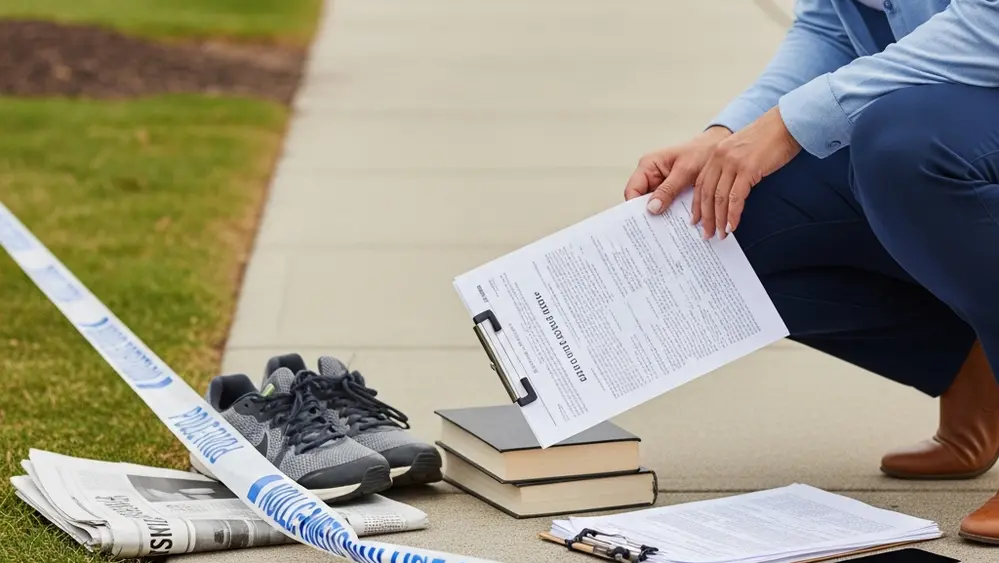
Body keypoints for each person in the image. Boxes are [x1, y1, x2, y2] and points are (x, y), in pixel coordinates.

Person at [624, 0, 999, 544]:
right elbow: (830, 23)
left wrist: (791, 122)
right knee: (719, 222)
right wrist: (726, 134)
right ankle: (972, 362)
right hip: (944, 106)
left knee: (903, 147)